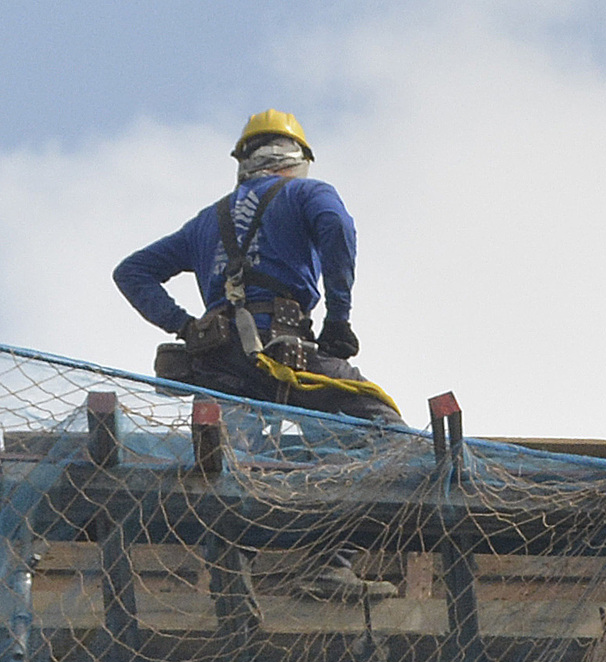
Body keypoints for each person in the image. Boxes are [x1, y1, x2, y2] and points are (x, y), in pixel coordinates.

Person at [115, 110, 404, 427]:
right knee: (380, 421)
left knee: (230, 457)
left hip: (220, 366)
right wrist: (338, 319)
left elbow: (132, 272)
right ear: (297, 158)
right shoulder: (306, 193)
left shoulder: (205, 223)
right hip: (287, 351)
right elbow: (335, 225)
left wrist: (186, 327)